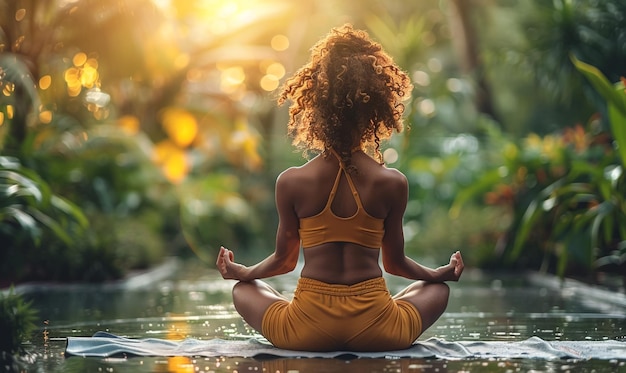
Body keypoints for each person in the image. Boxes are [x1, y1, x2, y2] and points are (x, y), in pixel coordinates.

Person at [216, 23, 464, 352]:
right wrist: (439, 274)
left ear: (316, 107)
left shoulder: (291, 181)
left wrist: (242, 271)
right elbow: (395, 264)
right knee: (438, 291)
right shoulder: (392, 183)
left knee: (243, 290)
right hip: (379, 331)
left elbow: (284, 262)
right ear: (376, 111)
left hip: (305, 331)